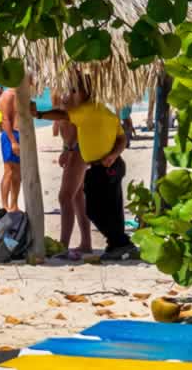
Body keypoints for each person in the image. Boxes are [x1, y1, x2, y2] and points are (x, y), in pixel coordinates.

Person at [38, 83, 137, 261]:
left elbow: (70, 120)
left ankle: (67, 244)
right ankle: (99, 243)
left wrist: (38, 113)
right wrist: (66, 147)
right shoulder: (98, 109)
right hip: (94, 157)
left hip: (85, 154)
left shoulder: (85, 107)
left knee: (71, 198)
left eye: (77, 90)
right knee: (85, 200)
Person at [49, 91, 93, 260]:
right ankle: (86, 243)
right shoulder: (61, 91)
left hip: (77, 148)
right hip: (73, 147)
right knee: (77, 197)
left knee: (65, 196)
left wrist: (69, 149)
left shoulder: (72, 90)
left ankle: (63, 245)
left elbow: (77, 120)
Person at [0, 85, 23, 214]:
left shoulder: (22, 93)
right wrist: (13, 141)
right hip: (11, 135)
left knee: (18, 173)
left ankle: (14, 204)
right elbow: (5, 118)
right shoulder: (8, 95)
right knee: (9, 171)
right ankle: (5, 206)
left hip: (21, 135)